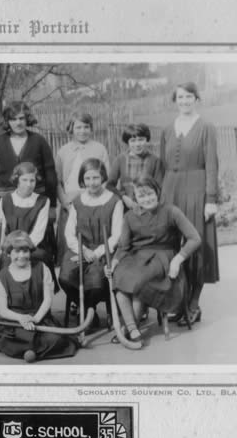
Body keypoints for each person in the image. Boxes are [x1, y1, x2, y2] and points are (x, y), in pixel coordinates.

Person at [106, 175, 201, 345]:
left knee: (138, 282)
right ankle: (131, 327)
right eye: (141, 196)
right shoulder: (130, 217)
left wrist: (177, 260)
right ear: (135, 198)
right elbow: (123, 247)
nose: (147, 199)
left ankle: (128, 329)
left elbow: (195, 238)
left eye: (150, 194)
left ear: (157, 192)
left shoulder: (171, 211)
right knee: (118, 276)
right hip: (137, 258)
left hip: (163, 259)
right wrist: (114, 262)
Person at [0, 231, 78, 362]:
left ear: (30, 251)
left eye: (25, 251)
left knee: (55, 339)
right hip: (16, 322)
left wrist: (35, 319)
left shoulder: (42, 268)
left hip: (40, 318)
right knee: (21, 336)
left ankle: (26, 350)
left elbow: (47, 300)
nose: (22, 256)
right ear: (8, 253)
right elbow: (3, 311)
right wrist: (21, 318)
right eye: (16, 252)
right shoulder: (2, 276)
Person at [159, 81, 220, 325]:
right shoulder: (166, 130)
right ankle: (178, 301)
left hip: (196, 190)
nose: (184, 101)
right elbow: (162, 167)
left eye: (189, 97)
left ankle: (193, 303)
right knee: (172, 246)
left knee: (196, 246)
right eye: (180, 97)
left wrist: (211, 199)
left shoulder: (206, 127)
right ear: (175, 100)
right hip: (170, 191)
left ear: (197, 99)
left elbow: (212, 165)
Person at [58, 158, 123, 329]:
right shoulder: (78, 202)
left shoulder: (115, 201)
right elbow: (69, 233)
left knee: (96, 282)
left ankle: (89, 310)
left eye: (95, 178)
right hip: (80, 249)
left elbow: (116, 235)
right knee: (65, 277)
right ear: (82, 179)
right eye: (87, 178)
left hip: (104, 251)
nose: (91, 183)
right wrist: (83, 251)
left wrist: (96, 253)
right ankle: (87, 310)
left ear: (102, 178)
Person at [55, 112, 110, 264]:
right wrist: (65, 201)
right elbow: (57, 181)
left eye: (86, 127)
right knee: (70, 240)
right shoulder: (63, 151)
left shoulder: (100, 149)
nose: (82, 131)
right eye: (78, 127)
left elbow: (106, 178)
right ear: (71, 129)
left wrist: (96, 198)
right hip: (70, 202)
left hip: (93, 200)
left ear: (91, 129)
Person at [0, 162, 56, 286]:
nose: (28, 184)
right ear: (17, 180)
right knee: (4, 260)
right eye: (24, 180)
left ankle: (35, 297)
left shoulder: (43, 201)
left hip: (33, 247)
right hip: (9, 248)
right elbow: (0, 229)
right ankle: (9, 298)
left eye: (32, 180)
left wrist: (21, 249)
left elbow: (38, 233)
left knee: (37, 257)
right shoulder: (5, 200)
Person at [0, 101, 58, 209]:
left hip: (36, 199)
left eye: (21, 118)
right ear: (7, 121)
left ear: (27, 119)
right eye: (13, 119)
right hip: (6, 199)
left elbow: (50, 174)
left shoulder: (39, 141)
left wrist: (52, 204)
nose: (18, 123)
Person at [108, 123, 165, 211]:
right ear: (128, 142)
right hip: (126, 206)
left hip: (149, 206)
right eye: (133, 141)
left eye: (141, 140)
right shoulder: (120, 159)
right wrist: (123, 197)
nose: (137, 144)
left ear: (147, 140)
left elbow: (159, 187)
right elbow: (109, 185)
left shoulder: (154, 160)